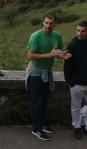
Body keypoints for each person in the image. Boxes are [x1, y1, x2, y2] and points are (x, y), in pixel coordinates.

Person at [25, 13, 70, 141]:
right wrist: (49, 55)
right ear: (42, 23)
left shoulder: (57, 36)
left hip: (47, 72)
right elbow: (30, 55)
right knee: (36, 102)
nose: (48, 26)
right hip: (35, 73)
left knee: (44, 100)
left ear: (55, 24)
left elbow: (57, 52)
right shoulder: (36, 36)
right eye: (46, 23)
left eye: (51, 23)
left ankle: (43, 124)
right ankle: (36, 129)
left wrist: (62, 55)